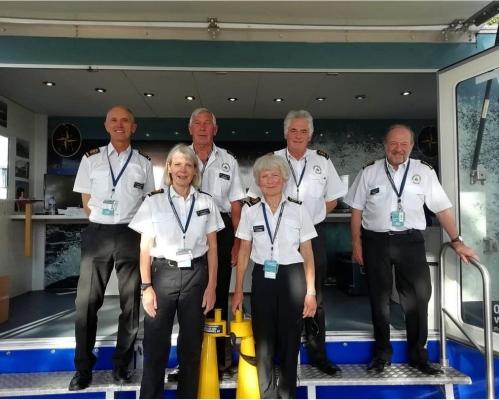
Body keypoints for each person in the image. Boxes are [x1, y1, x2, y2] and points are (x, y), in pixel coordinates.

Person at [344, 124, 478, 375]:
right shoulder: (369, 172)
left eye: (404, 144)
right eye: (394, 143)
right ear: (385, 145)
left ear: (412, 146)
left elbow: (441, 208)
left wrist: (457, 240)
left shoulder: (424, 172)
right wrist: (356, 244)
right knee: (379, 299)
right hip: (376, 241)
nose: (398, 148)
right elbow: (356, 210)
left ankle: (418, 355)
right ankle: (382, 354)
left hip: (411, 241)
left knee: (419, 297)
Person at [247, 110, 346, 375]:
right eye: (293, 130)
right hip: (276, 239)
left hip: (311, 235)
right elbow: (254, 198)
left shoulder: (322, 162)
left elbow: (334, 197)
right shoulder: (272, 161)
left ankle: (317, 353)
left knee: (315, 296)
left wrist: (310, 221)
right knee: (277, 299)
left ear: (310, 135)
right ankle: (276, 354)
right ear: (285, 133)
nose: (298, 135)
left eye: (304, 131)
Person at [70, 106, 155, 390]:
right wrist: (103, 221)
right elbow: (86, 202)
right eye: (114, 120)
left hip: (131, 234)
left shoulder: (143, 162)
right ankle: (83, 369)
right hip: (98, 234)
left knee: (130, 305)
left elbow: (148, 204)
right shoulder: (90, 159)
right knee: (86, 304)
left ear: (134, 127)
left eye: (126, 121)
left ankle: (122, 365)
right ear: (106, 126)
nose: (120, 125)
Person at [129, 144, 224, 398]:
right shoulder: (153, 201)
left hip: (196, 276)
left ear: (195, 171)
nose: (183, 170)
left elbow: (213, 247)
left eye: (189, 165)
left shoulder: (206, 202)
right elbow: (145, 248)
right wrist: (146, 287)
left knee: (191, 348)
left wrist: (212, 286)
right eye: (178, 164)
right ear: (169, 168)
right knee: (155, 346)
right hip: (162, 276)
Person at [232, 154, 317, 399]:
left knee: (291, 339)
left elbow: (308, 252)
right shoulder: (250, 212)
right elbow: (245, 251)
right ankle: (267, 394)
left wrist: (310, 291)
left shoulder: (298, 210)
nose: (270, 181)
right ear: (258, 181)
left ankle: (287, 392)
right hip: (263, 278)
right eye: (264, 176)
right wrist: (238, 289)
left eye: (275, 176)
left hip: (292, 277)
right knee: (264, 339)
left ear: (283, 179)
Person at [187, 107, 246, 371]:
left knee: (219, 292)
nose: (202, 128)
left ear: (215, 129)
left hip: (221, 231)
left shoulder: (228, 161)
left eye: (207, 124)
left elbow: (236, 206)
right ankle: (191, 359)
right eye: (197, 124)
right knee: (188, 294)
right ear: (190, 129)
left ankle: (219, 357)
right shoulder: (180, 157)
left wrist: (236, 243)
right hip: (187, 230)